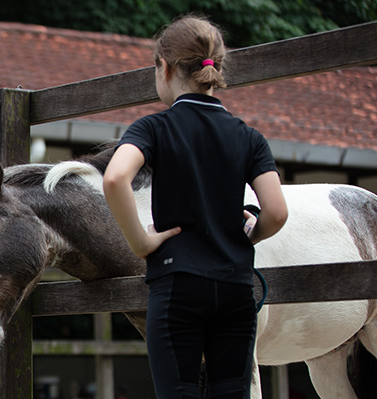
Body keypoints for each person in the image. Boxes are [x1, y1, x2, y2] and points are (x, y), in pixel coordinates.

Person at [102, 15, 288, 398]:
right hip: (235, 287)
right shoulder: (248, 136)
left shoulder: (153, 127)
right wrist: (251, 233)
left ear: (164, 68)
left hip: (177, 285)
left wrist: (140, 242)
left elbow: (115, 178)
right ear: (216, 67)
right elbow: (277, 211)